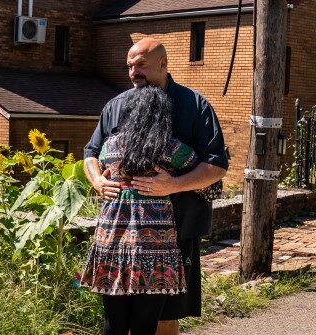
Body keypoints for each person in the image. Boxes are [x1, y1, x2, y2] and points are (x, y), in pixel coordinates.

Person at [83, 37, 228, 335]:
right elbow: (90, 153)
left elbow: (216, 166)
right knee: (118, 318)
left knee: (165, 318)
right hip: (119, 236)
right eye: (130, 66)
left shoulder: (194, 105)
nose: (134, 72)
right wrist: (98, 180)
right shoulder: (115, 107)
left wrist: (173, 185)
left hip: (177, 230)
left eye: (141, 65)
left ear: (163, 64)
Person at [80, 85, 198, 335]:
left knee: (113, 324)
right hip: (154, 246)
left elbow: (95, 162)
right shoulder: (169, 148)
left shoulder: (110, 146)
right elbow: (207, 175)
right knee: (145, 326)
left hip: (111, 242)